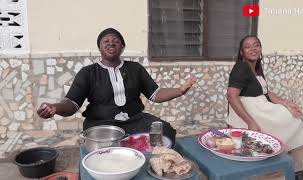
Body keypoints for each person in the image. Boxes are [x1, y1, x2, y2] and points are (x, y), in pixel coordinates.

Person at [37, 28, 196, 144]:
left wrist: (180, 90)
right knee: (109, 150)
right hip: (101, 124)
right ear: (99, 47)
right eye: (106, 41)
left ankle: (155, 167)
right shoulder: (88, 72)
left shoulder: (135, 68)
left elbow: (155, 94)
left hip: (135, 120)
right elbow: (71, 103)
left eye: (116, 41)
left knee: (165, 131)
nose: (111, 43)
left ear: (122, 47)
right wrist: (55, 108)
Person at [226, 36, 303, 151]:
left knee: (297, 113)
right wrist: (251, 122)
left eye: (256, 45)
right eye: (247, 47)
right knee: (294, 117)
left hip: (261, 108)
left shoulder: (256, 68)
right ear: (242, 53)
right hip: (253, 111)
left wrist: (286, 103)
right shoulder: (241, 67)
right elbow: (231, 96)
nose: (253, 48)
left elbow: (265, 92)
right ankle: (275, 148)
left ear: (261, 48)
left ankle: (276, 148)